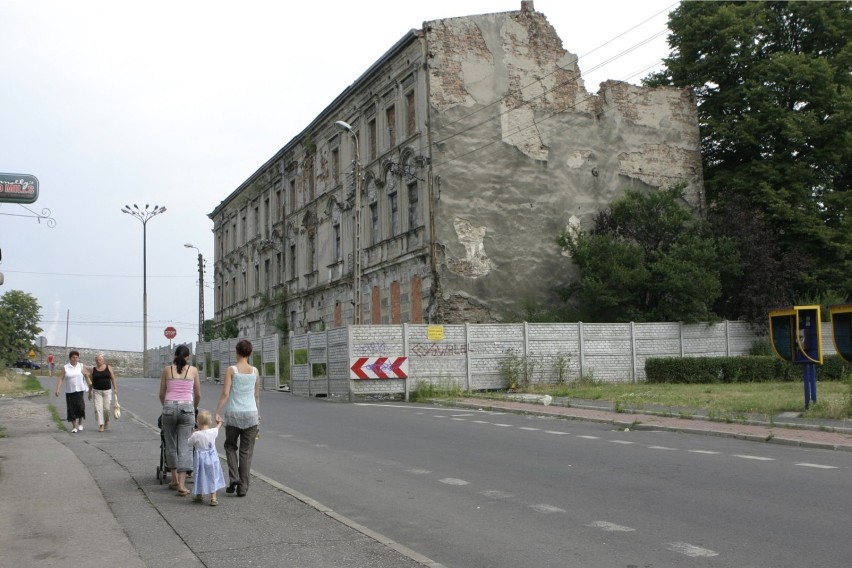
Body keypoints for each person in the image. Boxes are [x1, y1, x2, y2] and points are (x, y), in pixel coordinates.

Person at [215, 339, 260, 497]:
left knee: (230, 446)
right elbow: (256, 396)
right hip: (251, 415)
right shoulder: (255, 371)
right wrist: (257, 414)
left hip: (234, 414)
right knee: (246, 452)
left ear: (236, 352)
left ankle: (234, 478)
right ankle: (243, 488)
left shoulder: (231, 370)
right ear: (250, 353)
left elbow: (226, 393)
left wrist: (218, 411)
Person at [159, 344, 201, 496]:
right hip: (187, 408)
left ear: (174, 356)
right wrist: (193, 408)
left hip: (169, 408)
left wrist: (167, 407)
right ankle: (182, 485)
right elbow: (198, 394)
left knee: (170, 444)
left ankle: (174, 479)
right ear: (188, 357)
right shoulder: (193, 370)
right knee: (185, 446)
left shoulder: (167, 370)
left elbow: (161, 393)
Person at [188, 409, 226, 506]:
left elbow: (189, 443)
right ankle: (213, 497)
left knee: (200, 475)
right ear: (209, 422)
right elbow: (218, 427)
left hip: (201, 459)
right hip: (212, 458)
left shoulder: (196, 434)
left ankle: (199, 494)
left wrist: (193, 432)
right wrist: (220, 422)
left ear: (198, 422)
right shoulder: (213, 431)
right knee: (212, 476)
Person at [54, 350, 89, 433]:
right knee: (71, 408)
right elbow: (61, 378)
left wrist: (85, 373)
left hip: (80, 389)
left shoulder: (81, 365)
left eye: (76, 357)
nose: (75, 359)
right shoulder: (65, 367)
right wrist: (58, 389)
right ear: (70, 358)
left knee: (81, 406)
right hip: (70, 391)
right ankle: (74, 426)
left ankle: (80, 422)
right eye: (73, 357)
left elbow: (88, 373)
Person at [89, 354, 117, 432]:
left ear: (103, 360)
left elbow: (113, 378)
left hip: (107, 391)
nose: (98, 361)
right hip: (97, 392)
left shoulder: (109, 368)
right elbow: (91, 382)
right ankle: (101, 425)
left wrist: (115, 389)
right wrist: (89, 392)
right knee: (98, 409)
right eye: (97, 360)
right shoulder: (93, 370)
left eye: (100, 360)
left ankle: (106, 421)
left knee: (107, 409)